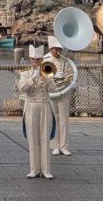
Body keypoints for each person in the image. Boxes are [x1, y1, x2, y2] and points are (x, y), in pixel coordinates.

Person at [18, 44, 53, 179]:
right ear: (30, 60)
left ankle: (46, 170)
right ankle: (34, 169)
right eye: (33, 59)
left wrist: (47, 78)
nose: (36, 62)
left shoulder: (47, 71)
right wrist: (33, 78)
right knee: (32, 138)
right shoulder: (25, 73)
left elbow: (53, 88)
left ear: (42, 60)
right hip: (31, 106)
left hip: (44, 106)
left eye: (38, 59)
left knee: (45, 138)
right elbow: (22, 88)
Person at [45, 36, 71, 156]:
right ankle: (55, 146)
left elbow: (70, 74)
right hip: (51, 93)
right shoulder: (45, 60)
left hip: (63, 92)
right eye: (56, 49)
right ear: (51, 49)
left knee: (64, 120)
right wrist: (53, 76)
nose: (58, 51)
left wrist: (66, 78)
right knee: (53, 120)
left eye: (60, 49)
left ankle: (64, 146)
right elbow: (43, 76)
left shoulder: (65, 61)